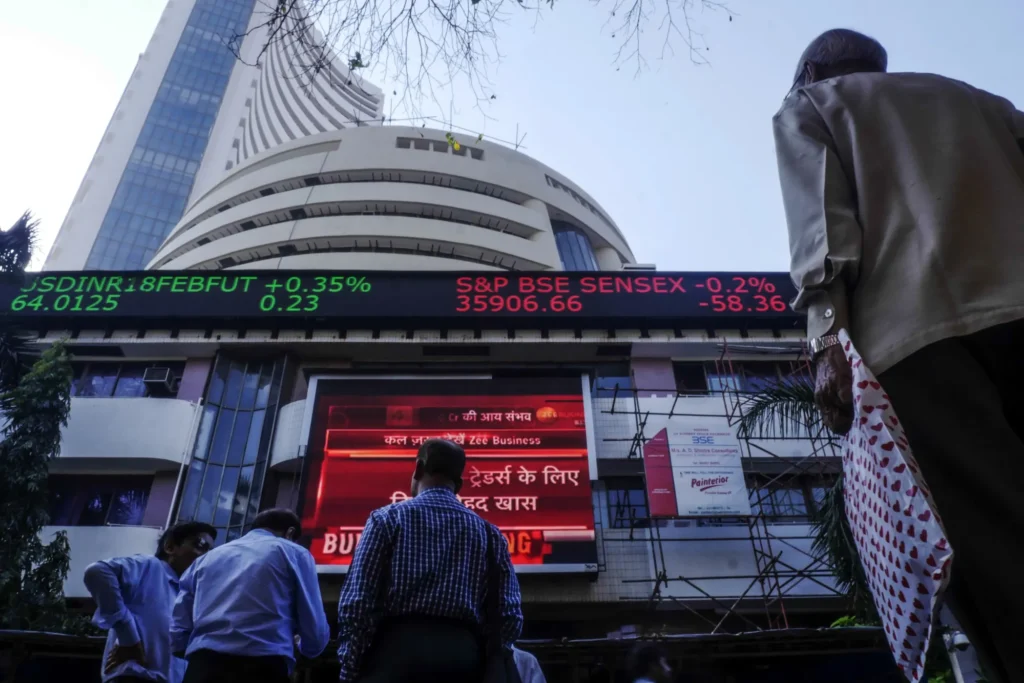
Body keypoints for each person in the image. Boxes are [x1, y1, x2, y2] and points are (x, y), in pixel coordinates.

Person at [774, 28, 1024, 683]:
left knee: (993, 552)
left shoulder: (813, 104)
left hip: (916, 343)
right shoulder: (981, 101)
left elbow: (821, 229)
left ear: (813, 70)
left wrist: (827, 338)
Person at [336, 438, 523, 682]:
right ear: (459, 484)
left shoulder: (386, 520)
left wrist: (350, 669)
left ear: (418, 468)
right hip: (465, 660)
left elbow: (357, 605)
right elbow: (510, 615)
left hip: (394, 656)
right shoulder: (490, 535)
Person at [170, 508, 330, 683]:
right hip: (262, 668)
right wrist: (305, 649)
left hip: (202, 667)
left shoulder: (204, 560)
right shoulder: (294, 552)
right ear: (290, 533)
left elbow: (177, 631)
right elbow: (314, 629)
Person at [83, 521, 215, 683]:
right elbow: (98, 572)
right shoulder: (151, 567)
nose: (206, 556)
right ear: (170, 547)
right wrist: (128, 638)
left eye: (210, 551)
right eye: (200, 545)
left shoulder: (191, 595)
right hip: (134, 678)